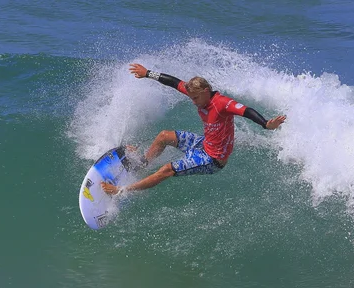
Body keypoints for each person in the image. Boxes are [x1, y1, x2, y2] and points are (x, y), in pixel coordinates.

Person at [100, 63, 286, 195]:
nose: (193, 102)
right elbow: (173, 82)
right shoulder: (196, 93)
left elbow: (246, 111)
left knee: (166, 169)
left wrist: (265, 124)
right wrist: (147, 73)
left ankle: (122, 191)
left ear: (205, 92)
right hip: (203, 144)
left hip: (212, 159)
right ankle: (142, 165)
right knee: (164, 136)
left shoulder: (222, 104)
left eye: (195, 98)